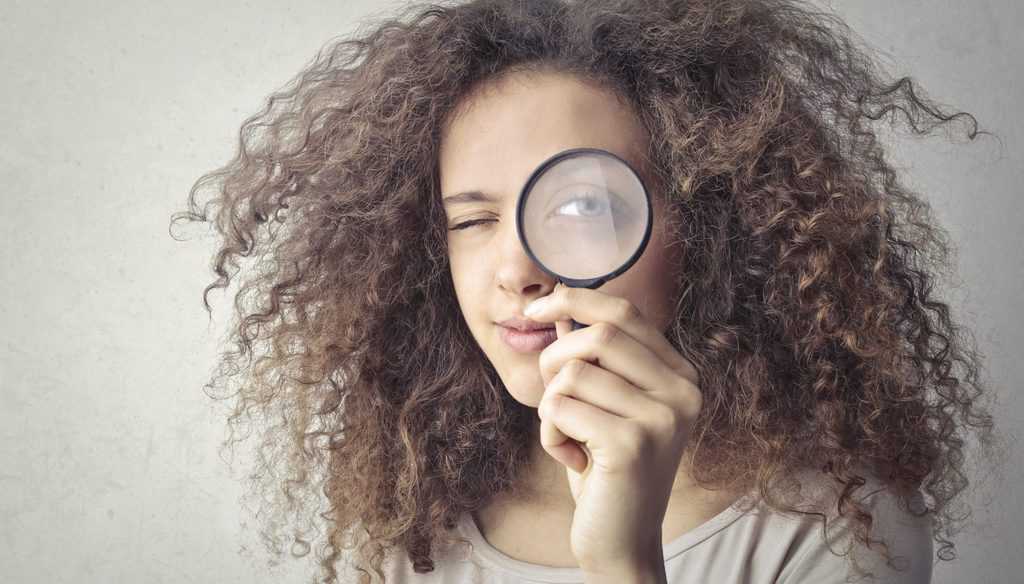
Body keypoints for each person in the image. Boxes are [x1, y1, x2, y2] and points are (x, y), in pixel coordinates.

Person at [169, 0, 1001, 582]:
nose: (517, 268)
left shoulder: (837, 529)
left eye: (581, 206)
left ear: (707, 230)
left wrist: (624, 564)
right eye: (472, 220)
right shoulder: (410, 523)